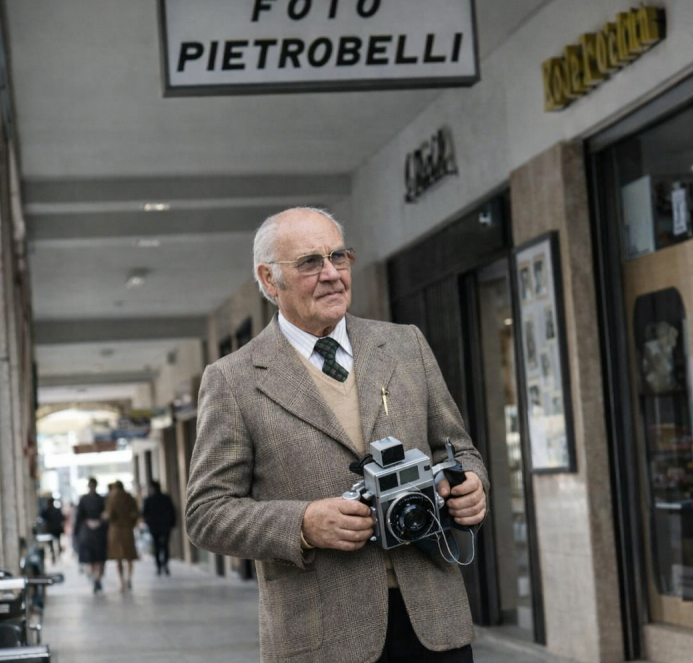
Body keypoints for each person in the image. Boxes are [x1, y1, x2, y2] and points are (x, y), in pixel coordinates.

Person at [186, 207, 488, 663]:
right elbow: (206, 513)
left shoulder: (406, 345)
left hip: (435, 623)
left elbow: (458, 448)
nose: (331, 274)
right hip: (322, 639)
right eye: (310, 262)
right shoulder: (233, 380)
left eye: (338, 257)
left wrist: (472, 485)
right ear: (270, 280)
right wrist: (303, 524)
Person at [74, 478, 107, 593]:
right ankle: (95, 578)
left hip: (95, 532)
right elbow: (79, 517)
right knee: (93, 558)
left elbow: (79, 517)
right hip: (90, 532)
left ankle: (96, 578)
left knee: (97, 558)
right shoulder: (97, 499)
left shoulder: (99, 499)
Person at [105, 480, 139, 591]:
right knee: (129, 556)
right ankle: (129, 578)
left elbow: (109, 515)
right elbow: (136, 513)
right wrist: (131, 524)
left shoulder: (111, 498)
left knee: (118, 557)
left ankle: (121, 581)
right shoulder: (129, 497)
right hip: (127, 529)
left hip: (115, 530)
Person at [142, 481, 176, 576]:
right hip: (165, 526)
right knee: (164, 546)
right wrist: (172, 523)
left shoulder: (148, 499)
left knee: (157, 546)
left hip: (155, 526)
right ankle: (164, 565)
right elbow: (172, 511)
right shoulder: (165, 498)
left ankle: (159, 566)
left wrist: (149, 523)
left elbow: (144, 514)